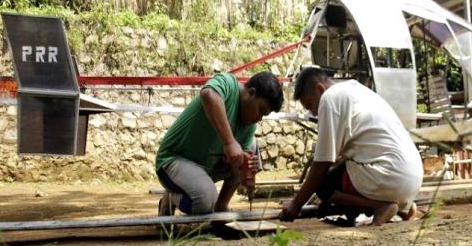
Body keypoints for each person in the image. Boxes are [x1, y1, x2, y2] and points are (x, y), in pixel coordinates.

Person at [280, 67, 423, 226]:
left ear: (320, 89)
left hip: (388, 176)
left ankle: (381, 206)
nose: (313, 113)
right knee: (336, 181)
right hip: (413, 178)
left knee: (322, 185)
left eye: (310, 105)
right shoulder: (358, 91)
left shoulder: (329, 98)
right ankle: (404, 208)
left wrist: (296, 204)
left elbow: (321, 165)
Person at [156, 71, 284, 216]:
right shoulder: (228, 83)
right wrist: (229, 142)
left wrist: (246, 170)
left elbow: (237, 169)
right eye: (260, 110)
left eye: (264, 115)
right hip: (173, 160)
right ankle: (172, 197)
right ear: (251, 93)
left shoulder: (249, 126)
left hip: (205, 168)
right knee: (206, 202)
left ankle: (221, 206)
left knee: (251, 147)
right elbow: (208, 94)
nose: (259, 118)